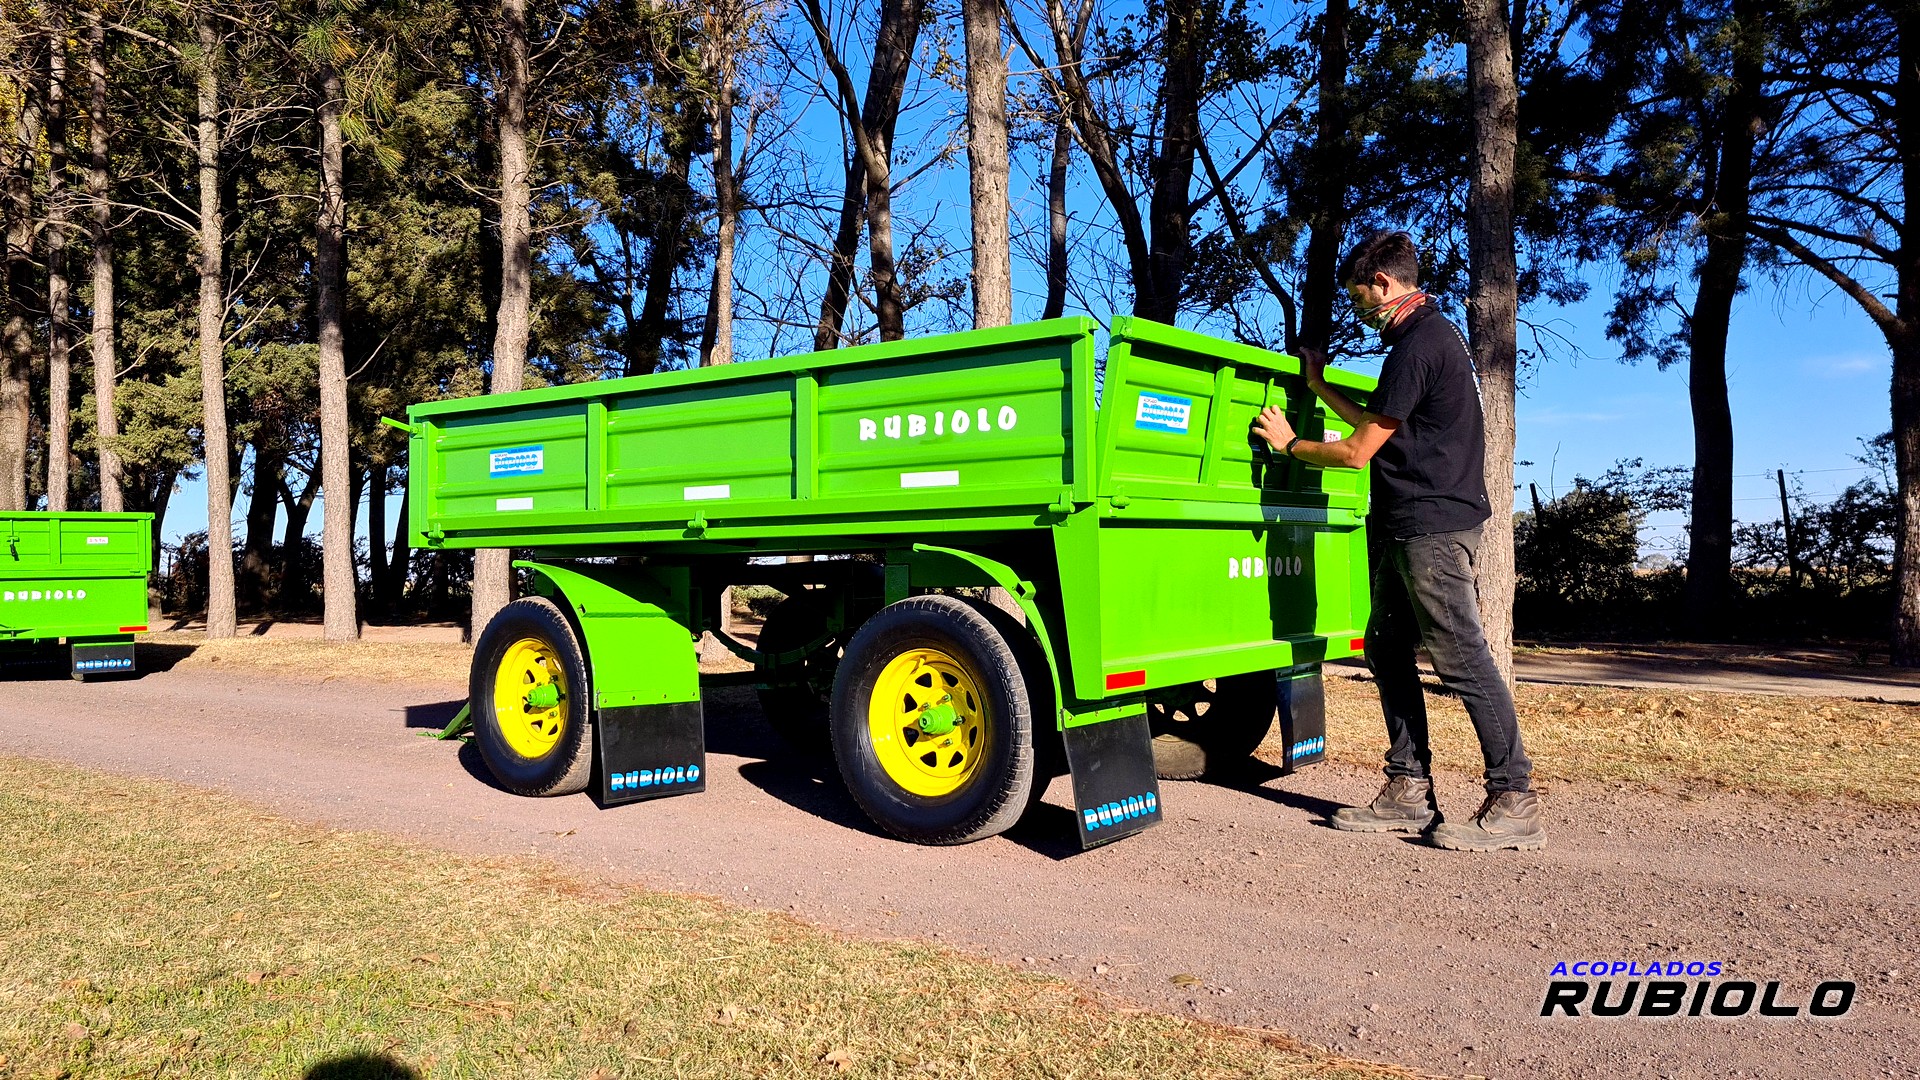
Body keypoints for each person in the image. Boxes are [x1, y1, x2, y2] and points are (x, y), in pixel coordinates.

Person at [1251, 229, 1543, 852]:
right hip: (1410, 525)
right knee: (1385, 647)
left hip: (1431, 527)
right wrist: (1319, 386)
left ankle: (1514, 798)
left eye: (1360, 298)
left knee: (1462, 657)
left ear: (1384, 285)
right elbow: (1378, 423)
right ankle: (1408, 789)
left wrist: (1290, 445)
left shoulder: (1419, 344)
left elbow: (1357, 454)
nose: (1360, 310)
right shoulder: (1427, 338)